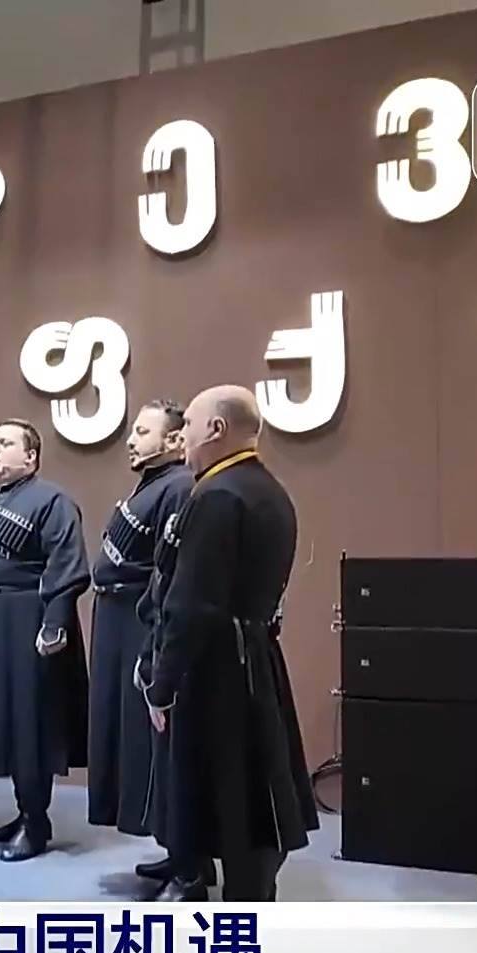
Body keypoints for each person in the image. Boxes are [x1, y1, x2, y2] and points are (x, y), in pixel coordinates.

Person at [141, 384, 317, 901]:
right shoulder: (268, 490)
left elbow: (191, 604)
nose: (182, 439)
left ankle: (243, 908)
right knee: (255, 792)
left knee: (233, 798)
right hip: (253, 654)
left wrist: (161, 686)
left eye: (189, 427)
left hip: (217, 669)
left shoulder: (216, 496)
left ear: (217, 429)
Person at [0, 419, 91, 862]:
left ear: (31, 457)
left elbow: (67, 566)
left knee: (30, 724)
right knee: (5, 723)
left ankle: (35, 821)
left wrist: (54, 624)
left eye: (6, 443)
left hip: (26, 623)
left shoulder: (52, 501)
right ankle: (23, 812)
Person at [88, 401, 194, 871]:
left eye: (142, 431)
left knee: (159, 744)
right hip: (117, 620)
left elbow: (170, 571)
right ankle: (175, 853)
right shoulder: (150, 486)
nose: (131, 440)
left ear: (174, 440)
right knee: (129, 739)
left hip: (142, 623)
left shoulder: (179, 487)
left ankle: (186, 860)